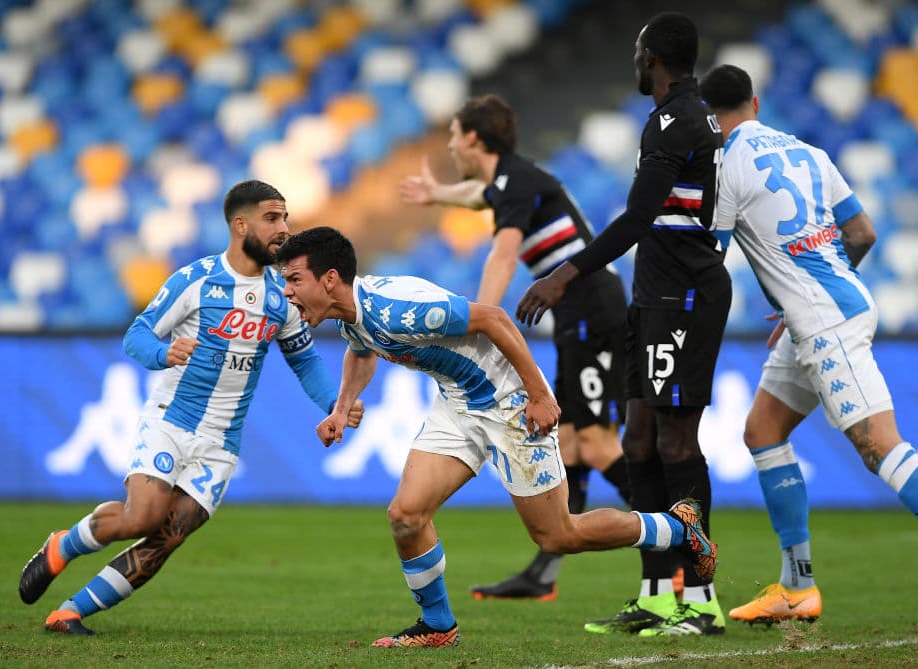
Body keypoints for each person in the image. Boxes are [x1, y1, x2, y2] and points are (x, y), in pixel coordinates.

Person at [275, 226, 717, 648]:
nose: (288, 291)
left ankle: (678, 527)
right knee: (406, 515)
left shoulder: (396, 310)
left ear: (330, 279)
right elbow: (361, 348)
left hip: (508, 403)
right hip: (458, 401)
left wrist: (540, 396)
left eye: (294, 279)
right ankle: (437, 626)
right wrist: (340, 406)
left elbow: (494, 318)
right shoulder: (353, 313)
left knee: (558, 536)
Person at [18, 180, 364, 634]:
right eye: (272, 218)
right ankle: (64, 545)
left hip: (221, 444)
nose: (284, 228)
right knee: (142, 515)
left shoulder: (283, 297)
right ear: (241, 225)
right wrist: (165, 353)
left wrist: (337, 406)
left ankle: (71, 612)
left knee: (169, 536)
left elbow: (305, 362)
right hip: (171, 421)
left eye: (285, 217)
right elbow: (137, 335)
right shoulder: (196, 280)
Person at [517, 12, 729, 636]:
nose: (636, 63)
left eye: (639, 54)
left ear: (653, 59)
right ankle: (659, 594)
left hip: (683, 298)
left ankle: (701, 600)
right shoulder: (691, 118)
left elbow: (638, 218)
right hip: (654, 296)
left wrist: (563, 275)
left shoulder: (674, 119)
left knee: (677, 444)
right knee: (637, 442)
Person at [699, 64, 918, 625]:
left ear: (710, 115)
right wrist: (808, 291)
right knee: (763, 431)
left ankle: (799, 587)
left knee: (880, 448)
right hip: (826, 309)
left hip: (825, 321)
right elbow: (863, 232)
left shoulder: (725, 164)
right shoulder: (810, 153)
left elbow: (711, 257)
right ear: (755, 102)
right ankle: (797, 587)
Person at [399, 94, 632, 601]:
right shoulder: (510, 182)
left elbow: (504, 254)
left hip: (595, 310)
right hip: (579, 313)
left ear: (475, 139)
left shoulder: (516, 183)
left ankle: (676, 536)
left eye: (455, 135)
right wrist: (439, 194)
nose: (451, 144)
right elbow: (479, 195)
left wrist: (477, 317)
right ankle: (544, 574)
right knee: (568, 444)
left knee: (592, 442)